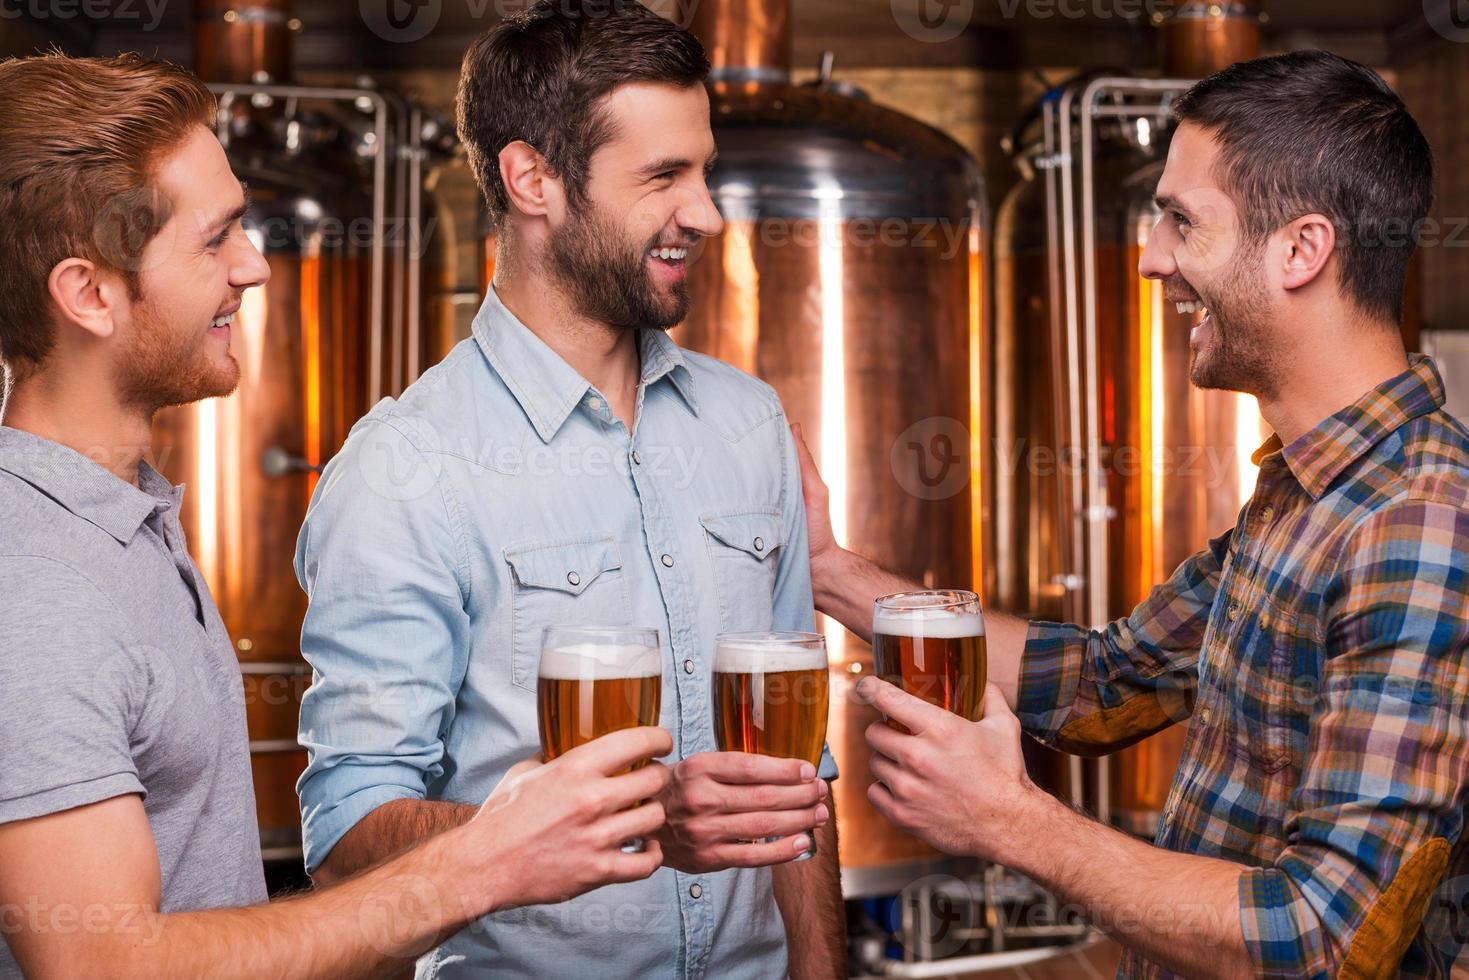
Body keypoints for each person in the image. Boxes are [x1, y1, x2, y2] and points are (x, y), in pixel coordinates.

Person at [0, 52, 673, 980]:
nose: (254, 266)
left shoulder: (124, 517)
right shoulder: (34, 586)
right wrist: (478, 866)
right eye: (214, 240)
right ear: (88, 295)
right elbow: (105, 965)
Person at [797, 50, 1468, 979]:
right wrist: (830, 571)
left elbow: (1323, 939)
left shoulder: (1419, 522)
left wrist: (1012, 823)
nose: (1150, 258)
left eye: (1181, 222)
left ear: (1300, 250)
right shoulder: (1303, 492)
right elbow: (1103, 681)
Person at [292, 2, 844, 978]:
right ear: (531, 177)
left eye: (703, 169)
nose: (707, 212)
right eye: (662, 176)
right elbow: (349, 833)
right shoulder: (405, 467)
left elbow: (799, 777)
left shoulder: (750, 423)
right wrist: (594, 823)